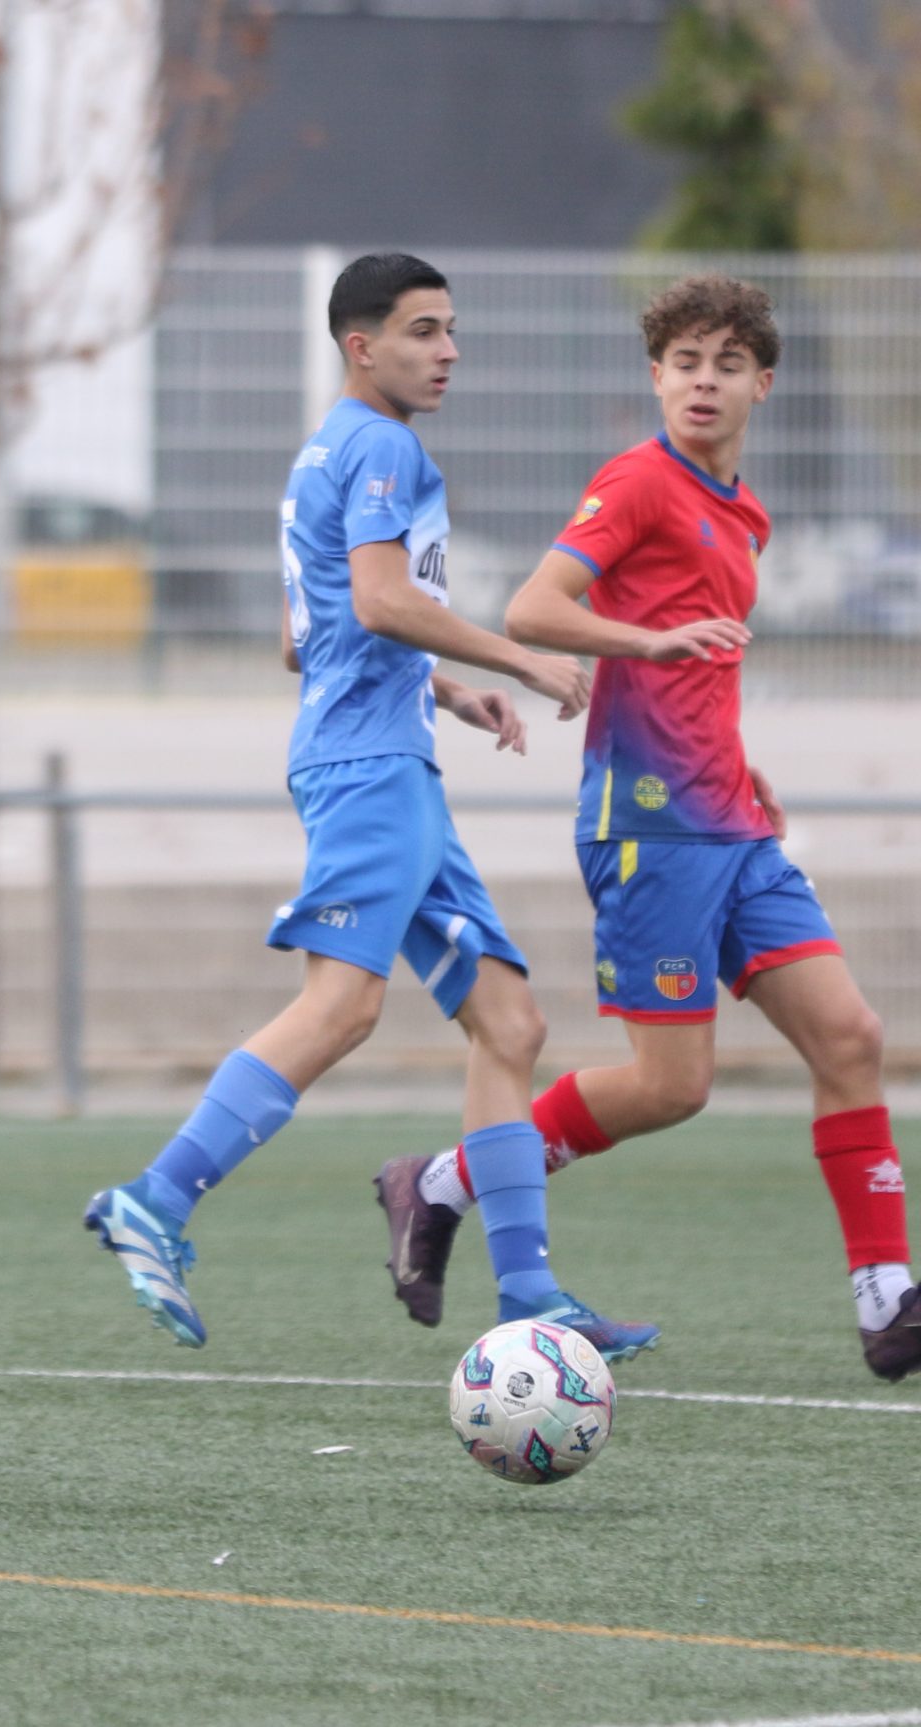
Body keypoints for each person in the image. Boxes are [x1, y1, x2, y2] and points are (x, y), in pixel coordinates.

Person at [80, 252, 658, 1362]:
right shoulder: (384, 447)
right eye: (423, 331)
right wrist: (517, 656)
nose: (449, 352)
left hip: (385, 758)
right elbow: (383, 602)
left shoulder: (326, 450)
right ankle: (155, 1196)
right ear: (361, 345)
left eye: (451, 329)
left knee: (509, 1023)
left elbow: (308, 636)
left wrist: (445, 689)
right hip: (368, 769)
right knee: (342, 1007)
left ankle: (531, 1294)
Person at [375, 274, 920, 1381]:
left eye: (727, 364)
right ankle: (437, 1182)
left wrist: (737, 755)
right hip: (650, 828)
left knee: (850, 1036)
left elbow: (698, 662)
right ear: (656, 376)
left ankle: (887, 1296)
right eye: (683, 362)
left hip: (733, 822)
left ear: (764, 384)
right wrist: (646, 643)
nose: (702, 382)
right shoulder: (635, 481)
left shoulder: (745, 512)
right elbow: (533, 608)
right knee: (672, 1085)